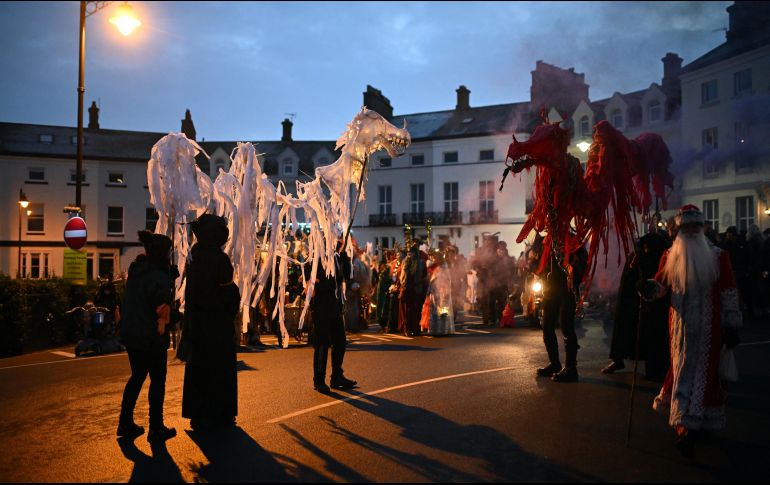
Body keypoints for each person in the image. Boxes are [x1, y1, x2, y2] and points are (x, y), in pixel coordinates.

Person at [641, 205, 742, 456]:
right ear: (680, 230)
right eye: (686, 228)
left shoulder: (719, 256)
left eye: (695, 227)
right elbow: (661, 285)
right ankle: (685, 426)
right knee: (681, 371)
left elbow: (728, 291)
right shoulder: (669, 255)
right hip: (679, 329)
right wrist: (648, 287)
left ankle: (694, 424)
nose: (691, 232)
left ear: (702, 228)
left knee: (705, 375)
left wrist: (731, 324)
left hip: (710, 330)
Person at [181, 214, 240, 430]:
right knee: (219, 370)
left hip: (197, 322)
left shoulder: (194, 256)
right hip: (217, 324)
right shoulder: (219, 259)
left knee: (199, 369)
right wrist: (232, 301)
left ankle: (198, 413)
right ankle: (221, 413)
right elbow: (228, 292)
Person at [117, 231, 177, 441]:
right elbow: (162, 308)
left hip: (132, 333)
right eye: (168, 252)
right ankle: (156, 427)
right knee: (157, 380)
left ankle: (125, 422)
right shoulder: (157, 276)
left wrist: (168, 277)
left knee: (137, 376)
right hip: (151, 335)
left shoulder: (137, 271)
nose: (170, 255)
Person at [602, 231, 671, 381]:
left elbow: (659, 280)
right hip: (630, 301)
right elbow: (628, 280)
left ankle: (654, 368)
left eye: (647, 247)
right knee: (624, 330)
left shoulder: (661, 257)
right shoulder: (635, 257)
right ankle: (618, 359)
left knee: (650, 336)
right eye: (644, 247)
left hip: (652, 303)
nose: (645, 249)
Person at [307, 242, 357, 393]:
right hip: (321, 308)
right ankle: (319, 380)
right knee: (322, 345)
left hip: (334, 308)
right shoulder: (313, 261)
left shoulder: (335, 259)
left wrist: (346, 260)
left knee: (340, 342)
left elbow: (347, 276)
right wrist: (331, 282)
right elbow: (313, 286)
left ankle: (337, 376)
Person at [536, 238, 588, 383]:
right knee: (547, 327)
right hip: (550, 290)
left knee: (566, 327)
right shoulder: (547, 241)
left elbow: (582, 263)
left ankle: (571, 368)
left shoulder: (573, 240)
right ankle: (555, 364)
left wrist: (573, 278)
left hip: (567, 290)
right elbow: (541, 263)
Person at [427, 251, 455, 335]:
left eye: (435, 258)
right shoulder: (437, 267)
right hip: (435, 294)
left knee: (442, 313)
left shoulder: (444, 268)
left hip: (441, 293)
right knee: (435, 313)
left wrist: (444, 293)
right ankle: (435, 330)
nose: (433, 260)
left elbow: (446, 281)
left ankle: (443, 330)